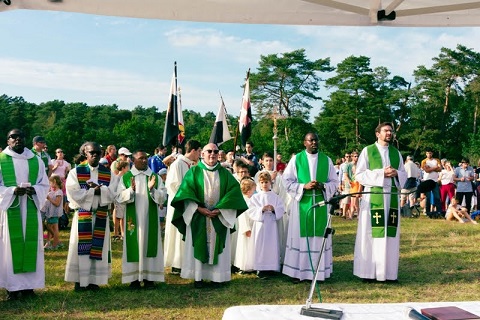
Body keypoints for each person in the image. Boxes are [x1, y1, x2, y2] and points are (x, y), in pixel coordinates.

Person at [170, 143, 248, 288]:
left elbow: (234, 193)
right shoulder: (194, 172)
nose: (212, 154)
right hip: (198, 217)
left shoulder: (225, 173)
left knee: (217, 245)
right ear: (202, 154)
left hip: (218, 217)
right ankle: (198, 277)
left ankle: (216, 278)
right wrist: (198, 208)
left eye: (215, 151)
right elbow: (185, 192)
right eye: (209, 151)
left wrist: (221, 209)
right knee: (199, 243)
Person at [353, 122, 407, 283]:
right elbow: (359, 175)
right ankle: (368, 273)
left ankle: (389, 274)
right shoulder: (368, 151)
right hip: (373, 199)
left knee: (390, 236)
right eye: (386, 131)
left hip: (390, 199)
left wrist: (396, 173)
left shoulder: (396, 153)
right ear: (377, 134)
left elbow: (404, 175)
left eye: (391, 131)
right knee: (370, 235)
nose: (389, 133)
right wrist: (382, 173)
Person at [282, 132, 338, 283]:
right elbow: (286, 181)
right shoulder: (296, 159)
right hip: (302, 205)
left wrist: (323, 185)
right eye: (310, 140)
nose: (314, 143)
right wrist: (303, 186)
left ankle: (319, 273)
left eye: (316, 140)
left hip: (320, 204)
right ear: (304, 142)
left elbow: (334, 182)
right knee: (301, 238)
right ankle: (298, 273)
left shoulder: (326, 160)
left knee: (319, 238)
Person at [0, 129, 49, 300]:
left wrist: (33, 190)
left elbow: (45, 184)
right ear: (8, 141)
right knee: (10, 248)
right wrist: (12, 190)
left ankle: (29, 287)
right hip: (11, 209)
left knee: (32, 246)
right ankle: (12, 288)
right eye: (13, 137)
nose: (17, 139)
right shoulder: (1, 160)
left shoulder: (36, 160)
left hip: (30, 207)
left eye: (20, 136)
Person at [64, 142, 116, 291]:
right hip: (83, 216)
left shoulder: (107, 173)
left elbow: (114, 192)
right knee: (81, 249)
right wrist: (94, 191)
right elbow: (73, 192)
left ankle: (94, 280)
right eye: (91, 152)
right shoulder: (76, 172)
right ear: (85, 153)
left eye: (97, 153)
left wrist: (101, 191)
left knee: (98, 248)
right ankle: (80, 281)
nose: (95, 155)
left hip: (100, 215)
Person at [116, 150, 167, 289]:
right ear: (133, 160)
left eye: (146, 158)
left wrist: (152, 190)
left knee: (149, 244)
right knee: (134, 244)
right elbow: (119, 196)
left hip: (150, 218)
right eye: (141, 158)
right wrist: (130, 191)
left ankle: (149, 278)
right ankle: (134, 279)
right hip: (133, 219)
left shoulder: (155, 177)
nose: (144, 161)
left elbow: (163, 196)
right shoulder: (126, 177)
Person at [164, 140, 202, 275]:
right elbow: (172, 185)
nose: (200, 154)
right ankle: (177, 263)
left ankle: (187, 261)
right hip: (179, 205)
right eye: (199, 151)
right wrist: (186, 194)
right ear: (193, 150)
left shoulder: (193, 165)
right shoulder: (178, 164)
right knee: (178, 233)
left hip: (190, 204)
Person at [248, 172, 285, 279]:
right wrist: (261, 210)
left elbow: (281, 209)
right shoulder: (256, 197)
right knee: (260, 245)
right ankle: (260, 268)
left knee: (272, 245)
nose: (264, 184)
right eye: (262, 182)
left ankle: (272, 267)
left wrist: (274, 209)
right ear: (259, 183)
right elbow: (251, 210)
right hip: (260, 225)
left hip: (272, 225)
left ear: (270, 183)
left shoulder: (275, 197)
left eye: (266, 182)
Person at [234, 177, 256, 273]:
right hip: (247, 229)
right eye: (253, 190)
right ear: (248, 191)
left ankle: (251, 264)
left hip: (252, 226)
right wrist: (247, 229)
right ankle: (244, 266)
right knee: (244, 248)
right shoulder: (243, 201)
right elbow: (242, 216)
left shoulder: (251, 199)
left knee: (251, 247)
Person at [42, 175, 64, 250]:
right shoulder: (53, 191)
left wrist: (49, 199)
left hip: (54, 213)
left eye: (50, 183)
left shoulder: (59, 192)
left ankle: (56, 244)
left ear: (54, 182)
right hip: (50, 212)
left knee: (53, 228)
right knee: (49, 227)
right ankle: (48, 243)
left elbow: (57, 203)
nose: (49, 184)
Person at [421, 148, 442, 218]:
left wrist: (431, 168)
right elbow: (426, 170)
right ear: (426, 154)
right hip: (427, 181)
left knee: (437, 197)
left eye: (430, 153)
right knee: (428, 197)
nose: (428, 154)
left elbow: (440, 169)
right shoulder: (424, 161)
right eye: (427, 153)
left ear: (432, 153)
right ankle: (427, 212)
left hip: (435, 181)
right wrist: (435, 167)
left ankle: (439, 212)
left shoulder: (437, 160)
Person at [51, 148, 72, 214]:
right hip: (54, 180)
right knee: (54, 195)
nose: (60, 153)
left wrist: (66, 171)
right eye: (58, 152)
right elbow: (50, 171)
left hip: (62, 181)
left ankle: (64, 213)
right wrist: (55, 167)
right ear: (56, 154)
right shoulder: (52, 161)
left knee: (63, 196)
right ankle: (53, 211)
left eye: (61, 152)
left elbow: (66, 174)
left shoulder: (66, 163)